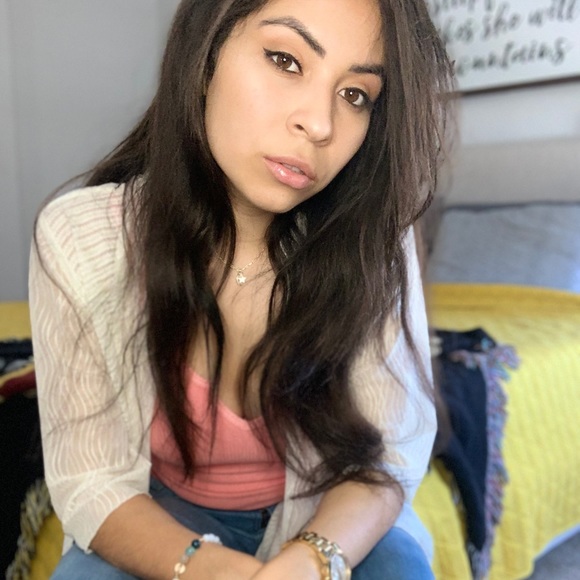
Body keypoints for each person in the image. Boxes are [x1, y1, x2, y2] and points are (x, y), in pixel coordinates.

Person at [29, 0, 453, 578]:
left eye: (355, 95)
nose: (320, 124)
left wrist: (311, 560)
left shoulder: (370, 237)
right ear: (206, 55)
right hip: (159, 510)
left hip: (325, 507)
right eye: (285, 60)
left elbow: (388, 455)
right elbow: (90, 480)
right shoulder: (81, 237)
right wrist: (216, 570)